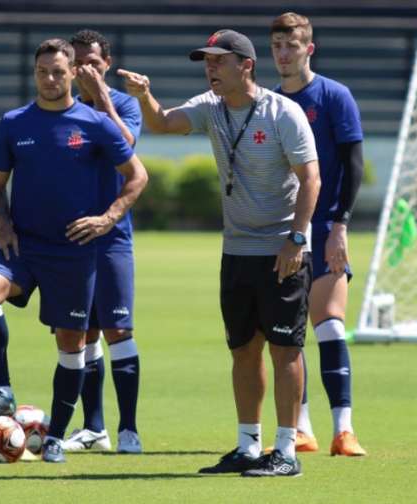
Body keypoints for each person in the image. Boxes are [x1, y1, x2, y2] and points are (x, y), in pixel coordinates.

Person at [119, 29, 320, 477]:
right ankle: (248, 446)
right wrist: (146, 96)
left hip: (281, 250)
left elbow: (311, 179)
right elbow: (162, 123)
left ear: (245, 65)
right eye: (206, 62)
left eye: (217, 61)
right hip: (237, 250)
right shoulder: (210, 107)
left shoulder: (281, 112)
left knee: (286, 349)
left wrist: (297, 239)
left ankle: (285, 451)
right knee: (244, 349)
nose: (209, 68)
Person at [0, 38, 148, 464]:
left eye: (58, 72)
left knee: (73, 343)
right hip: (24, 244)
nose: (50, 79)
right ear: (35, 74)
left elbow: (137, 176)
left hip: (74, 253)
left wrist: (108, 218)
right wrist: (4, 226)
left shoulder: (97, 122)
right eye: (43, 71)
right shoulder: (14, 123)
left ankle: (57, 437)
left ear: (72, 74)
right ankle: (1, 388)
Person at [270, 12, 367, 457]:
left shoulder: (334, 96)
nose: (284, 54)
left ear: (309, 49)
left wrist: (340, 225)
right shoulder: (268, 103)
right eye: (277, 47)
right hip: (283, 231)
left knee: (329, 326)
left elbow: (352, 164)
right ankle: (302, 429)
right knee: (288, 335)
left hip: (326, 226)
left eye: (292, 46)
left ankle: (344, 430)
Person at [58, 29, 144, 455]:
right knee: (80, 330)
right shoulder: (62, 109)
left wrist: (101, 98)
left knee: (119, 328)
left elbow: (126, 146)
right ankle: (94, 429)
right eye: (77, 63)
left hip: (113, 236)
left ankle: (129, 430)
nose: (84, 69)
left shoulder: (125, 104)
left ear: (106, 63)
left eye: (92, 61)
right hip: (71, 238)